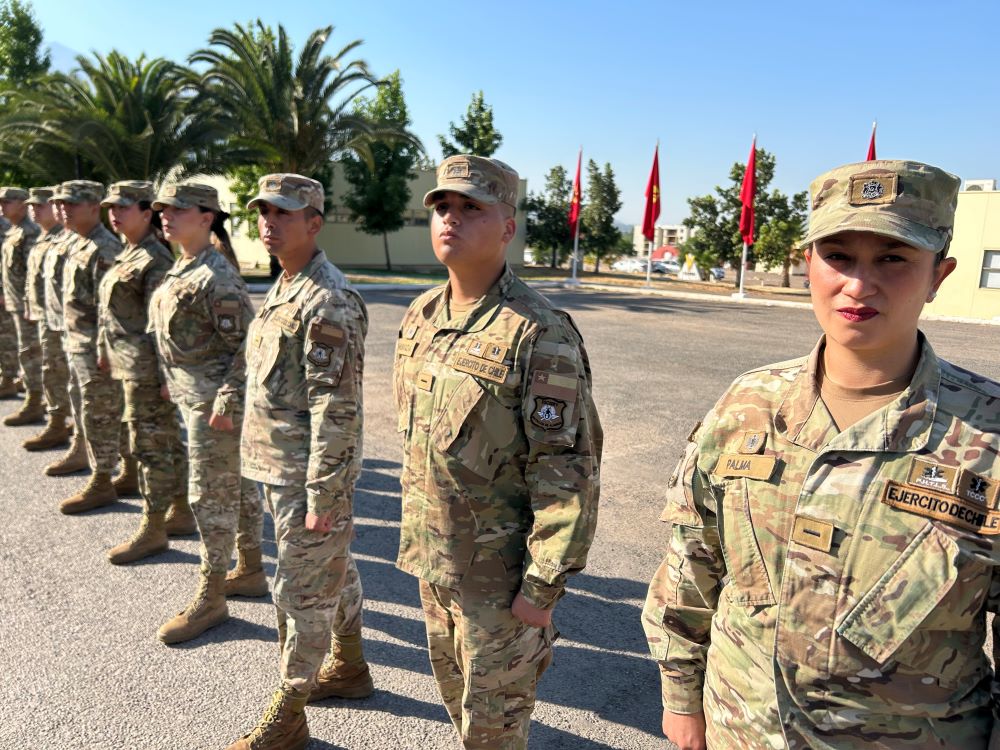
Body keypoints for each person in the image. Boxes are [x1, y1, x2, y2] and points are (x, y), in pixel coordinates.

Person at [642, 160, 1000, 750]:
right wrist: (681, 695)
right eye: (838, 256)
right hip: (742, 728)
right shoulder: (748, 405)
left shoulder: (987, 434)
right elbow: (692, 559)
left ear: (939, 275)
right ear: (808, 262)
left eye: (893, 258)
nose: (858, 285)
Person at [393, 155, 603, 749]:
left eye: (471, 207)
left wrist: (541, 588)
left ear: (507, 227)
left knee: (494, 729)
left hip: (500, 582)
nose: (450, 218)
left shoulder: (539, 331)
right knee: (459, 706)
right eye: (442, 206)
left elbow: (568, 471)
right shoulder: (421, 315)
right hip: (434, 561)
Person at [226, 174, 371, 750]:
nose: (269, 222)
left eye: (284, 213)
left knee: (299, 593)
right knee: (333, 569)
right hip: (276, 465)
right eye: (264, 212)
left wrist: (325, 493)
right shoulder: (285, 284)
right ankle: (350, 665)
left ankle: (289, 714)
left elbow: (337, 407)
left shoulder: (327, 298)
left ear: (314, 222)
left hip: (304, 475)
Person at [148, 181, 263, 644]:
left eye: (178, 209)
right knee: (239, 486)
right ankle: (251, 568)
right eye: (163, 209)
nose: (166, 215)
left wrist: (227, 401)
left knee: (209, 496)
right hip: (194, 395)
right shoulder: (184, 266)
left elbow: (248, 349)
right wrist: (170, 377)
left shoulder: (218, 277)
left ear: (206, 217)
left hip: (215, 405)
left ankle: (211, 595)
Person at [98, 181, 194, 564]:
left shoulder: (155, 259)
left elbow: (163, 326)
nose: (114, 214)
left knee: (151, 447)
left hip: (149, 371)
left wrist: (167, 376)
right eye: (111, 207)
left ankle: (153, 528)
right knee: (163, 441)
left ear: (145, 212)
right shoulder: (129, 252)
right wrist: (107, 350)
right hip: (129, 365)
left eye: (123, 207)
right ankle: (181, 510)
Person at [55, 180, 127, 514]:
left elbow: (110, 310)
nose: (64, 209)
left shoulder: (104, 248)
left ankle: (102, 480)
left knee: (101, 413)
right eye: (62, 203)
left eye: (72, 203)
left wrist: (104, 350)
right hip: (79, 343)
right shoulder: (80, 243)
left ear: (94, 207)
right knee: (93, 409)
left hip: (97, 350)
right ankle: (126, 471)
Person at [22, 187, 72, 451]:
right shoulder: (45, 239)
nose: (35, 210)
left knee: (62, 373)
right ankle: (58, 421)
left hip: (64, 322)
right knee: (51, 370)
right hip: (46, 316)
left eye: (40, 205)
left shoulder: (63, 239)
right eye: (33, 206)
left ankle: (63, 424)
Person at [0, 186, 43, 425]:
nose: (2, 207)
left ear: (21, 204)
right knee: (20, 348)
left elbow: (31, 274)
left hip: (26, 305)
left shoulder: (29, 232)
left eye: (6, 202)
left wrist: (28, 302)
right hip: (14, 301)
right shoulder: (15, 230)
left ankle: (34, 401)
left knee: (31, 352)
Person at [0, 211, 21, 398]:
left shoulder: (5, 227)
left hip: (6, 293)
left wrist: (2, 290)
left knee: (6, 337)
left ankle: (8, 379)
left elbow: (7, 264)